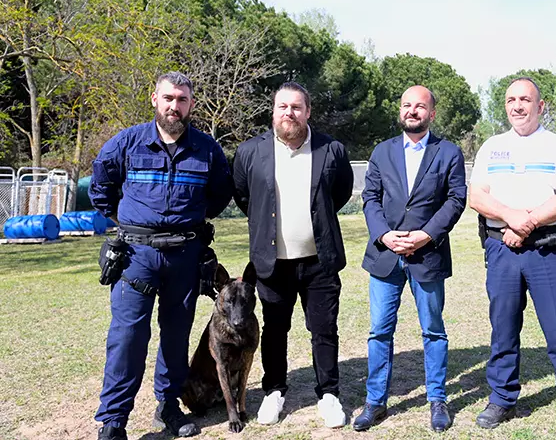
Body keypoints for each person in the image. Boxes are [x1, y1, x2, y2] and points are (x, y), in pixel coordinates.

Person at [90, 72, 233, 440]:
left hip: (185, 254)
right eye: (168, 98)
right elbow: (101, 188)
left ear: (191, 105)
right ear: (154, 98)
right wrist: (127, 223)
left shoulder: (207, 149)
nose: (175, 106)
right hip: (136, 254)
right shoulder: (126, 143)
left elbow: (218, 196)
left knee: (176, 335)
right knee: (127, 337)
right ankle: (114, 420)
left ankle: (168, 405)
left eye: (182, 99)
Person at [469, 77, 556, 440]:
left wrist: (523, 224)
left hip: (546, 249)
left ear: (541, 106)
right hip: (501, 249)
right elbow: (476, 196)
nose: (517, 105)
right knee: (503, 329)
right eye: (511, 99)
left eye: (525, 99)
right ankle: (502, 398)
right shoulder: (492, 147)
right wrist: (512, 217)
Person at [232, 81, 354, 429]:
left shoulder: (331, 150)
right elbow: (246, 198)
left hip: (319, 261)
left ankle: (328, 394)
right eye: (283, 106)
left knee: (324, 329)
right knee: (274, 329)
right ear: (273, 111)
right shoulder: (250, 152)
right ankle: (273, 391)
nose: (290, 113)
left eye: (297, 107)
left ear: (308, 112)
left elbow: (339, 194)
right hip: (272, 263)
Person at [353, 86, 467, 433]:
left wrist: (426, 235)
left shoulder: (448, 152)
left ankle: (437, 399)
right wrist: (384, 234)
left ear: (432, 113)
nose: (412, 110)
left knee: (433, 331)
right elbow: (370, 197)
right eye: (406, 105)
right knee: (379, 332)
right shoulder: (382, 152)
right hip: (385, 256)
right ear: (400, 111)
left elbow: (456, 199)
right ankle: (375, 402)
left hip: (427, 255)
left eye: (420, 106)